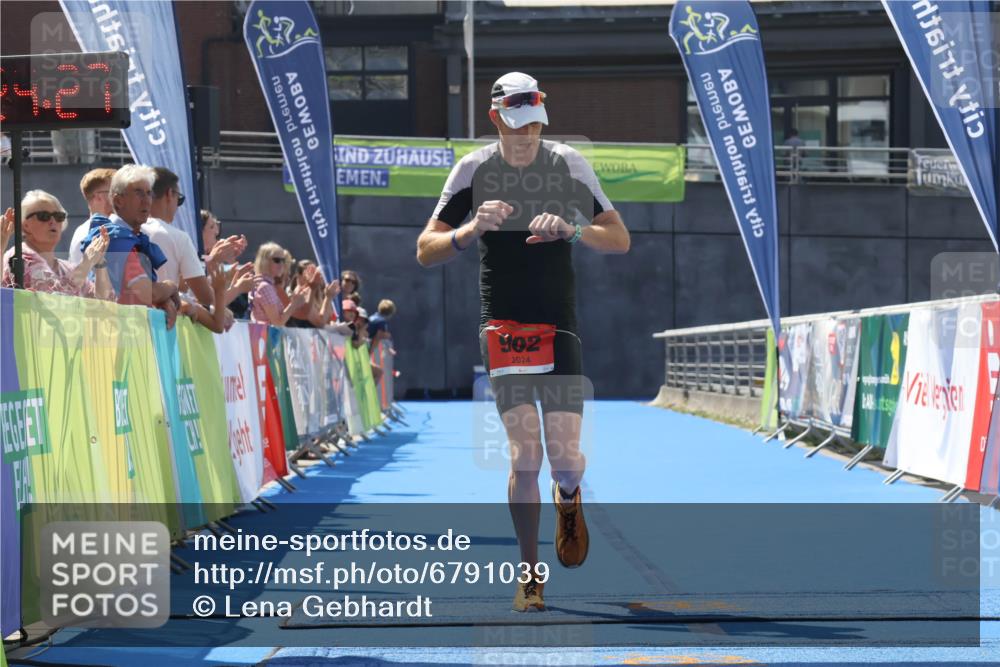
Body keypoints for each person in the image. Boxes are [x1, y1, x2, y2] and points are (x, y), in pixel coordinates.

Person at [416, 71, 630, 612]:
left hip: (557, 323)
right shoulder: (472, 169)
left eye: (534, 123)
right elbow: (425, 248)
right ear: (496, 120)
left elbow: (619, 239)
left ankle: (570, 496)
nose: (527, 135)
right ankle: (530, 574)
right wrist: (470, 230)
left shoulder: (567, 163)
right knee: (524, 455)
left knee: (563, 458)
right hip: (503, 326)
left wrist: (573, 231)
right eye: (517, 126)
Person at [81, 164, 180, 325]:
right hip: (113, 336)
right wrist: (170, 287)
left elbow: (143, 295)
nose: (147, 200)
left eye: (149, 193)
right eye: (139, 193)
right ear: (118, 200)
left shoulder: (126, 236)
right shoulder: (115, 237)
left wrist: (163, 299)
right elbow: (147, 292)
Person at [1, 192, 112, 299]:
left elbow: (105, 302)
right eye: (43, 216)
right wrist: (86, 263)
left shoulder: (66, 268)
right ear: (25, 225)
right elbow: (56, 299)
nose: (53, 221)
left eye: (58, 216)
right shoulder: (19, 257)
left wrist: (100, 262)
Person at [143, 167, 215, 306]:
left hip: (126, 319)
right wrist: (221, 285)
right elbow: (206, 298)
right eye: (179, 199)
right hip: (162, 322)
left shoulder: (125, 229)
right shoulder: (179, 238)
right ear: (170, 194)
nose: (177, 206)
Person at [250, 242, 309, 326]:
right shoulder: (265, 286)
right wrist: (294, 304)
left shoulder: (263, 283)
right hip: (267, 337)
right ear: (265, 261)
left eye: (283, 260)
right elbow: (277, 322)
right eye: (277, 260)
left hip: (264, 336)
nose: (282, 264)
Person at [68, 168, 116, 264]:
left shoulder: (81, 230)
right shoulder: (100, 231)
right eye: (114, 191)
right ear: (99, 197)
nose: (119, 196)